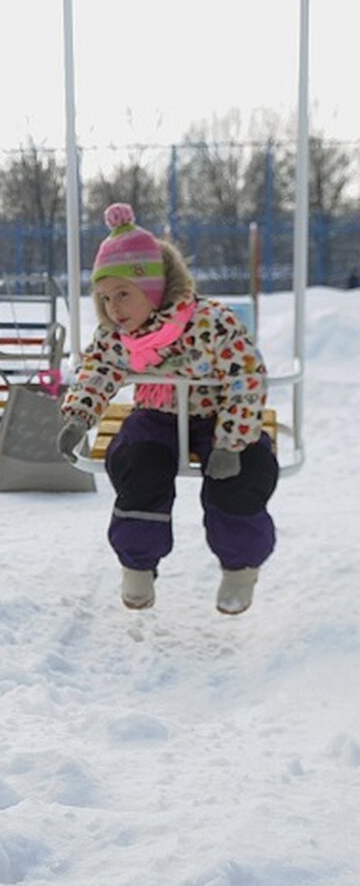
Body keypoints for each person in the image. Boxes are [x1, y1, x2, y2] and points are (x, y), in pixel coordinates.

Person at [56, 204, 278, 616]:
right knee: (137, 464)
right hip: (156, 416)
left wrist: (231, 440)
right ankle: (137, 565)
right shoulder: (116, 335)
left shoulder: (211, 322)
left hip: (218, 417)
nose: (114, 308)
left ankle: (240, 567)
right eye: (105, 298)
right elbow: (97, 371)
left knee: (245, 472)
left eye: (123, 294)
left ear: (154, 289)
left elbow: (245, 376)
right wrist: (78, 417)